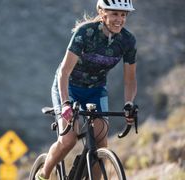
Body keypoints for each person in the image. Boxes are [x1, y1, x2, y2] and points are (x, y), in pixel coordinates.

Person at [36, 0, 137, 179]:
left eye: (123, 15)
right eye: (114, 14)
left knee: (101, 143)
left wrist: (129, 103)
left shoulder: (127, 40)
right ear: (102, 12)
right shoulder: (85, 33)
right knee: (68, 140)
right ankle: (43, 174)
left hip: (95, 90)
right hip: (68, 87)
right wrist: (66, 103)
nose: (119, 19)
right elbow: (64, 73)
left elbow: (129, 79)